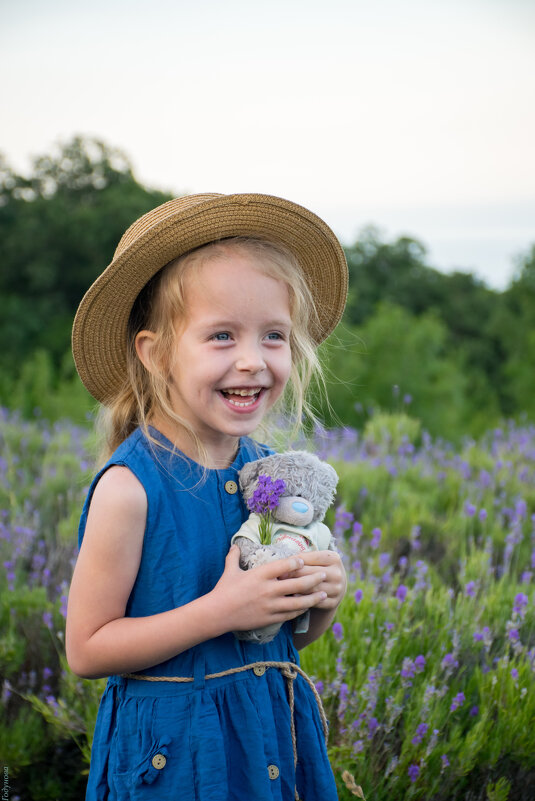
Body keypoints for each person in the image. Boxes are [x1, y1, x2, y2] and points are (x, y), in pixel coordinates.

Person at [66, 193, 348, 801]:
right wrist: (222, 609)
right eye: (221, 336)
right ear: (156, 352)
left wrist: (318, 601)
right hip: (177, 763)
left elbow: (273, 635)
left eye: (274, 336)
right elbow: (86, 649)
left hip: (266, 741)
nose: (252, 361)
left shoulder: (268, 476)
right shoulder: (130, 489)